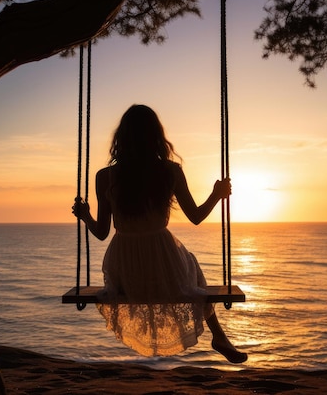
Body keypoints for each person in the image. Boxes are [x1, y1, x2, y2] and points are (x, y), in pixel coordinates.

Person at [72, 104, 247, 364]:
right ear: (156, 136)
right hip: (166, 265)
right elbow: (196, 217)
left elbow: (101, 232)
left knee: (185, 265)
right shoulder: (169, 172)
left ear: (121, 138)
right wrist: (216, 195)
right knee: (192, 264)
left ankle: (220, 337)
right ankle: (219, 335)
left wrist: (85, 215)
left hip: (125, 271)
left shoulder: (105, 176)